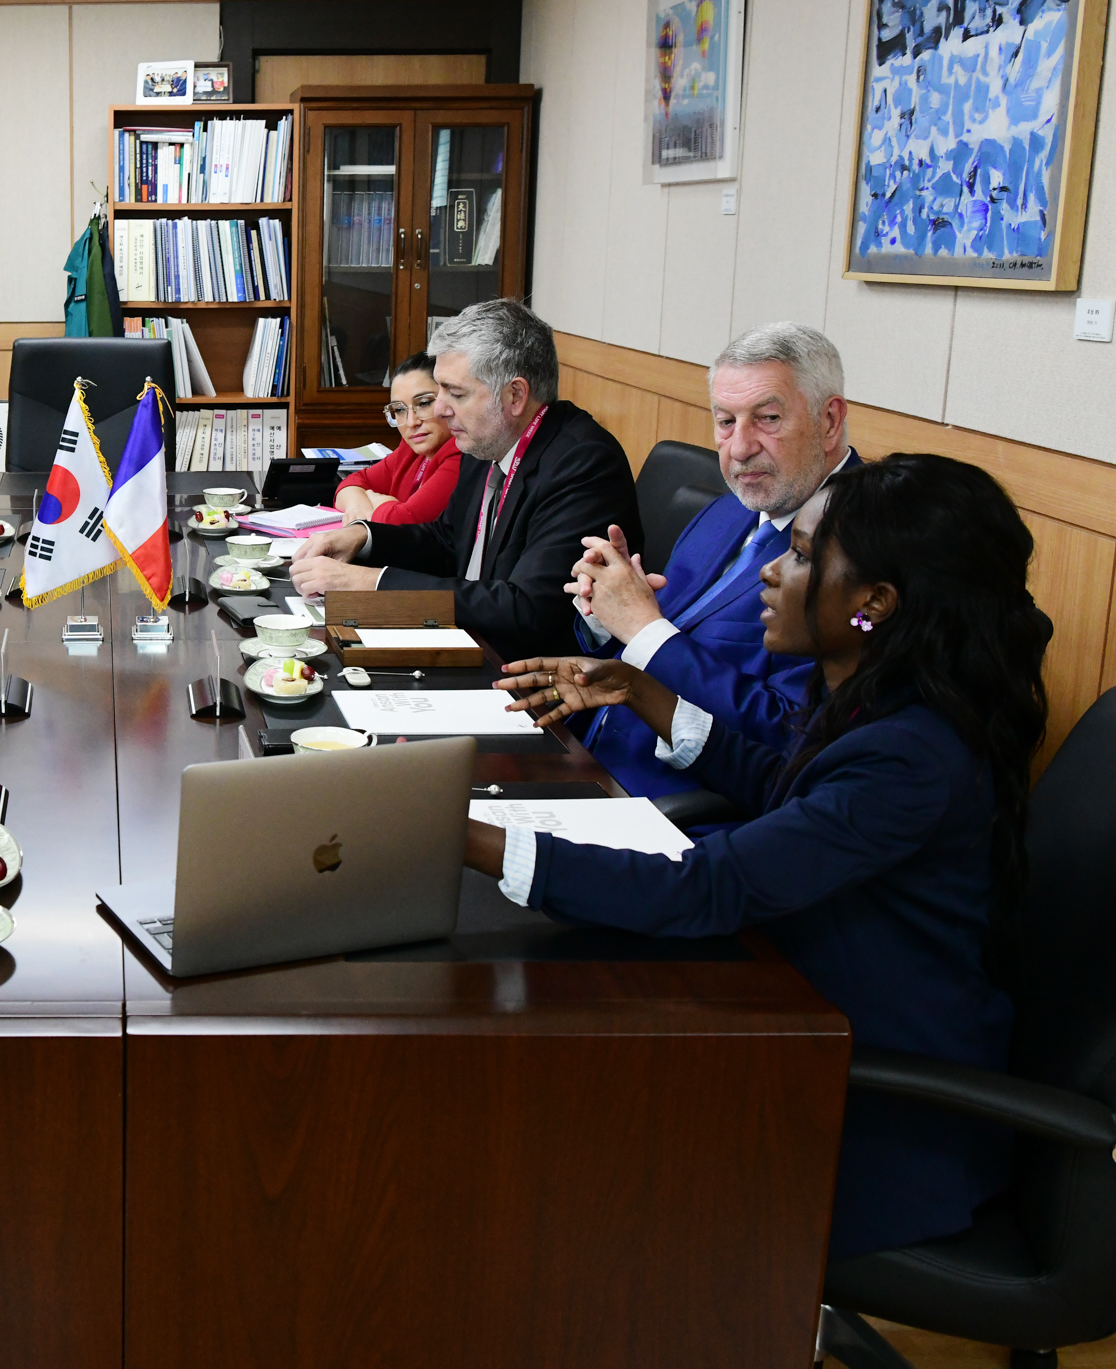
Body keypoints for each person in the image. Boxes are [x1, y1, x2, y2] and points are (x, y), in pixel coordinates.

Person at [469, 454, 1049, 1260]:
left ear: (874, 603)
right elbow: (788, 787)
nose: (773, 570)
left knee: (554, 1134)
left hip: (865, 1114)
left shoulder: (913, 756)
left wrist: (458, 835)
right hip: (804, 1022)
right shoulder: (880, 696)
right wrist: (643, 692)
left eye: (805, 556)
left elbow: (711, 889)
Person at [568, 323, 857, 798]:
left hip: (681, 808)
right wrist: (608, 610)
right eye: (725, 422)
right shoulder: (730, 506)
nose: (739, 449)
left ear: (828, 421)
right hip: (588, 753)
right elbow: (651, 643)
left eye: (767, 419)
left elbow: (789, 733)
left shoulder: (861, 545)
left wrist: (643, 628)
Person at [290, 299, 640, 662]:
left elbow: (528, 609)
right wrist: (363, 537)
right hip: (464, 639)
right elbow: (447, 541)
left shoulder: (582, 462)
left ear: (515, 395)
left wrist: (369, 584)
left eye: (455, 393)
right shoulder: (486, 440)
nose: (440, 409)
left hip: (525, 671)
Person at [332, 352, 462, 526]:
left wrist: (374, 499)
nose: (411, 422)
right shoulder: (411, 448)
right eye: (399, 410)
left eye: (424, 403)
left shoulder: (462, 452)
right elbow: (349, 483)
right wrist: (358, 506)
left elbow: (403, 521)